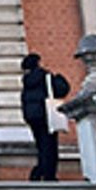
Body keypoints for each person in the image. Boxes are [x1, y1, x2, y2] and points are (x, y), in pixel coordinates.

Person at [21, 51, 69, 181]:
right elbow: (62, 89)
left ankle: (38, 172)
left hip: (33, 118)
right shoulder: (45, 76)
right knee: (50, 146)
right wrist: (58, 77)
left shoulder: (26, 82)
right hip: (47, 115)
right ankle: (48, 174)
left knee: (41, 145)